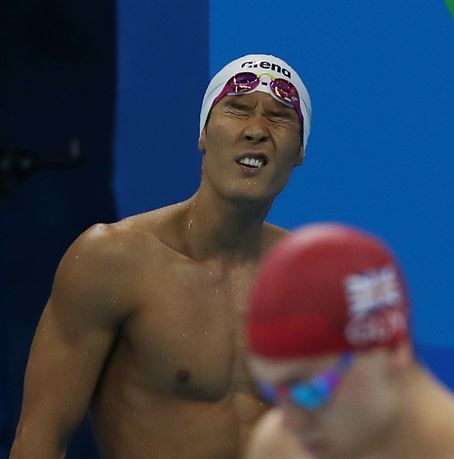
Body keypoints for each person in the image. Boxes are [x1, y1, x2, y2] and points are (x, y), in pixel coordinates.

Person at [10, 53, 312, 459]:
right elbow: (39, 439)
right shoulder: (114, 260)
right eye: (237, 110)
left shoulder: (311, 280)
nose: (256, 129)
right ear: (203, 134)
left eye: (279, 118)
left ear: (299, 151)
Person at [244, 224, 454, 459]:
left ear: (392, 348)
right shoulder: (281, 449)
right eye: (274, 391)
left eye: (309, 388)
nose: (292, 420)